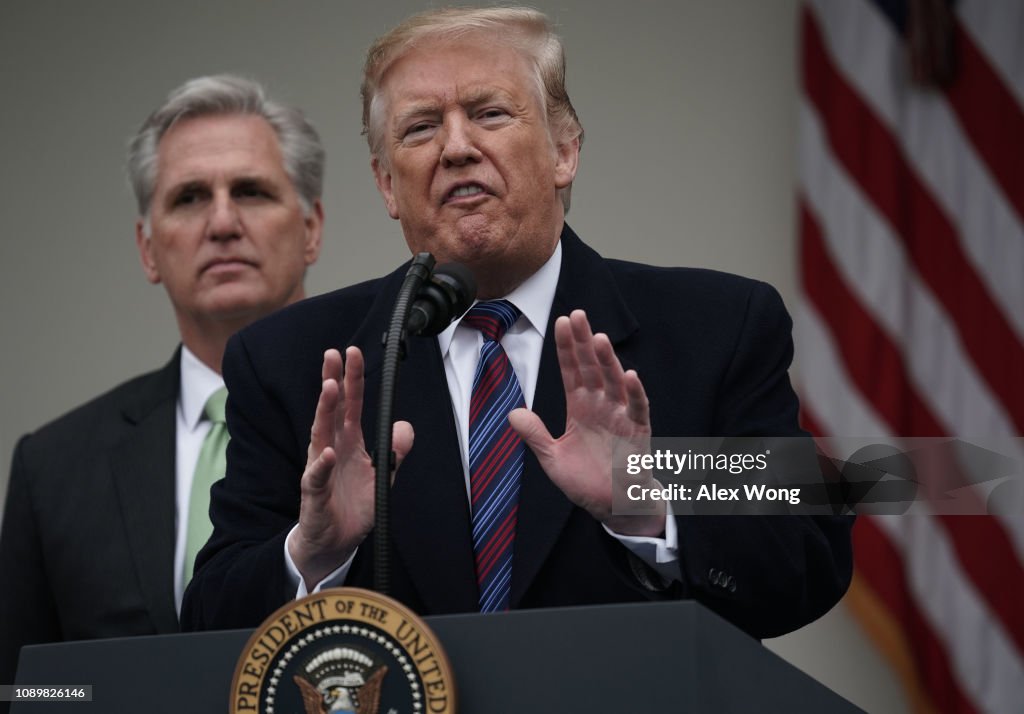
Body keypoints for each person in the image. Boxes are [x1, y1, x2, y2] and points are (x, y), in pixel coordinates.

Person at [183, 7, 852, 639]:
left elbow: (804, 561)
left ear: (564, 151)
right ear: (387, 184)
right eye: (420, 127)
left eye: (488, 113)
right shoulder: (294, 361)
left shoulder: (713, 331)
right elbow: (210, 617)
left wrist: (647, 506)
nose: (456, 147)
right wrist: (314, 552)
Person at [0, 74, 325, 692]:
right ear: (148, 249)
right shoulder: (53, 466)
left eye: (252, 192)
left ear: (311, 228)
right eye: (190, 198)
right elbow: (23, 691)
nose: (223, 221)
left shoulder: (396, 417)